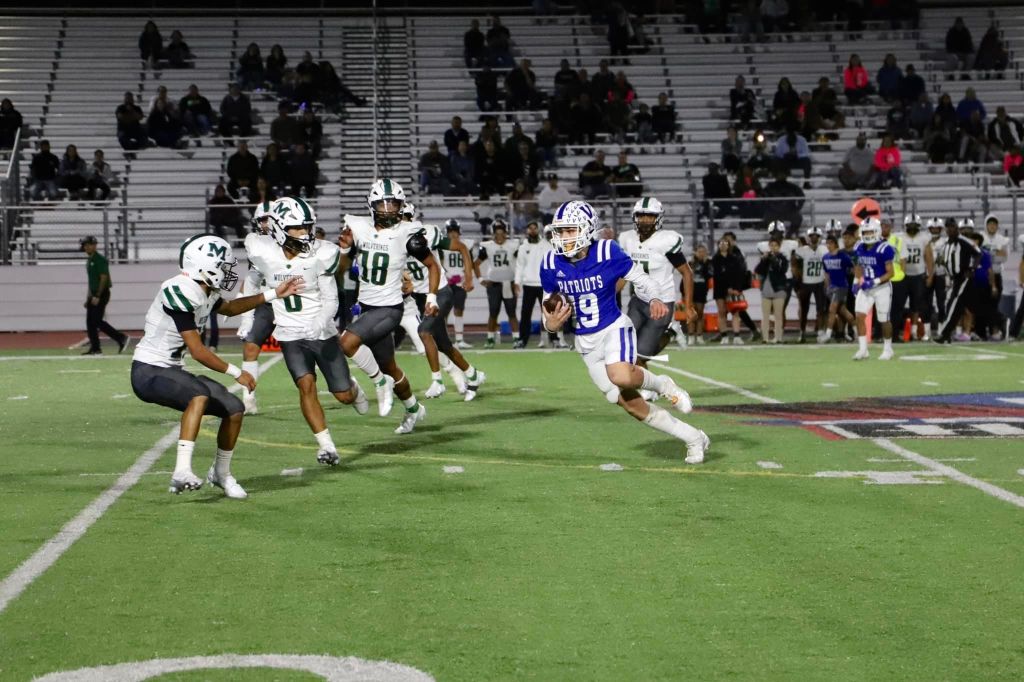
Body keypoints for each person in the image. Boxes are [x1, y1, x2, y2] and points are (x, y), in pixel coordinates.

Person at [131, 233, 303, 497]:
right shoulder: (179, 289)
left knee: (234, 409)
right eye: (223, 266)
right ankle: (181, 471)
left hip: (172, 369)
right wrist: (237, 373)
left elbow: (231, 308)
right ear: (204, 266)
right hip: (148, 370)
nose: (227, 272)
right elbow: (198, 351)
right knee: (197, 395)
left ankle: (221, 474)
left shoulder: (205, 290)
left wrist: (272, 294)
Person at [540, 200, 709, 464]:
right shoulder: (551, 262)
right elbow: (547, 308)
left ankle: (663, 384)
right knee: (632, 406)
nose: (563, 237)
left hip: (613, 327)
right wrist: (550, 325)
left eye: (570, 230)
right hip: (585, 342)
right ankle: (694, 438)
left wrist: (654, 299)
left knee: (619, 374)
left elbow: (642, 279)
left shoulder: (607, 251)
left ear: (586, 229)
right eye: (561, 231)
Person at [246, 196, 369, 464]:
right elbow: (252, 279)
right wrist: (247, 315)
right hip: (290, 334)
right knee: (306, 385)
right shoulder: (262, 251)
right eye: (298, 228)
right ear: (279, 228)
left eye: (307, 227)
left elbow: (331, 299)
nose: (305, 233)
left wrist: (320, 320)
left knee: (343, 395)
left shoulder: (321, 254)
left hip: (321, 332)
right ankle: (326, 446)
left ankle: (354, 388)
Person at [339, 179, 443, 434]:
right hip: (366, 307)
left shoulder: (407, 232)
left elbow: (433, 265)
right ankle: (413, 408)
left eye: (393, 203)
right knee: (391, 368)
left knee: (346, 343)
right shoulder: (358, 227)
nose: (388, 209)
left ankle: (378, 383)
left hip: (390, 309)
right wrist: (344, 250)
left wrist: (431, 297)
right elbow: (341, 269)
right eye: (382, 203)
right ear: (371, 205)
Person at [398, 205, 485, 400]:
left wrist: (469, 277)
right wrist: (406, 283)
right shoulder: (393, 240)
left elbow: (461, 247)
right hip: (420, 297)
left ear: (411, 217)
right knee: (444, 345)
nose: (399, 221)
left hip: (440, 293)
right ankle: (473, 375)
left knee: (424, 332)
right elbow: (402, 270)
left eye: (403, 217)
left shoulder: (427, 233)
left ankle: (437, 382)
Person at [618, 197, 695, 371]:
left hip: (661, 303)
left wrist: (688, 305)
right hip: (637, 301)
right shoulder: (627, 239)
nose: (645, 220)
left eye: (650, 216)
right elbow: (624, 274)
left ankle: (670, 333)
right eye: (641, 216)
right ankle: (646, 386)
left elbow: (687, 273)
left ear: (658, 218)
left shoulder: (666, 240)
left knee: (640, 356)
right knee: (622, 347)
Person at [232, 203, 276, 415]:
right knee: (250, 346)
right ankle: (248, 400)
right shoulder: (256, 244)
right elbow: (252, 279)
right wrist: (241, 304)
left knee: (314, 350)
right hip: (267, 302)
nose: (266, 224)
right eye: (262, 220)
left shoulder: (294, 240)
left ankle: (344, 381)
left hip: (293, 303)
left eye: (269, 219)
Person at [852, 218, 896, 360]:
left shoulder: (884, 248)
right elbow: (858, 266)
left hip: (882, 287)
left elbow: (891, 273)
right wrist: (856, 281)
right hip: (866, 287)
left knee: (884, 319)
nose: (867, 234)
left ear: (877, 231)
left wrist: (873, 282)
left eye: (870, 231)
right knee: (859, 316)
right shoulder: (859, 246)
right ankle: (863, 349)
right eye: (864, 231)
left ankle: (888, 349)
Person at [79, 235, 130, 355]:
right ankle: (96, 348)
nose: (86, 247)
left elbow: (103, 278)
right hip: (94, 294)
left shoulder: (99, 260)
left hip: (102, 293)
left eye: (88, 245)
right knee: (90, 322)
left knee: (96, 320)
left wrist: (97, 295)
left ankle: (120, 337)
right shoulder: (90, 261)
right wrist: (89, 297)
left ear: (94, 245)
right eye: (85, 245)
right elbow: (91, 281)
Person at [475, 219, 520, 347]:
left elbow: (522, 262)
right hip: (494, 284)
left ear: (506, 233)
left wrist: (517, 280)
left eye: (502, 233)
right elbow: (476, 263)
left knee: (512, 313)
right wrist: (480, 279)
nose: (499, 236)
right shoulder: (487, 246)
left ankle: (516, 339)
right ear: (492, 234)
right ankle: (490, 338)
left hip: (509, 284)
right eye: (497, 233)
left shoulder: (513, 245)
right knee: (493, 312)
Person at [515, 219, 558, 349]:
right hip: (528, 284)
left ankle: (554, 339)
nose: (532, 230)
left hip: (544, 284)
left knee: (549, 313)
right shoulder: (523, 247)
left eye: (534, 228)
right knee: (525, 314)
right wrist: (517, 282)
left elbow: (553, 265)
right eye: (530, 228)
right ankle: (522, 340)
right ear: (527, 230)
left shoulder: (547, 246)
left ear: (538, 230)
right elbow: (519, 266)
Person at [438, 219, 476, 349]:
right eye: (450, 232)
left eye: (455, 231)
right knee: (443, 311)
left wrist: (467, 278)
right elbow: (439, 263)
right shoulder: (442, 246)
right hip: (446, 282)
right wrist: (446, 276)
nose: (453, 234)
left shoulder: (466, 245)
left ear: (459, 232)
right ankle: (443, 339)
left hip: (460, 282)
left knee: (459, 309)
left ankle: (459, 339)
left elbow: (468, 263)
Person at [898, 214, 932, 341]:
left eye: (914, 225)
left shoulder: (924, 238)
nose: (912, 228)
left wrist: (930, 274)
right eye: (910, 225)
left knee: (916, 305)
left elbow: (929, 257)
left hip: (918, 275)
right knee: (900, 304)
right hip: (903, 275)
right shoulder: (900, 238)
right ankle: (901, 330)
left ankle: (913, 331)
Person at [793, 225, 827, 343]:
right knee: (804, 310)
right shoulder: (801, 251)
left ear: (820, 237)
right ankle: (802, 332)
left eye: (816, 236)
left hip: (820, 282)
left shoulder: (824, 249)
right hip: (806, 283)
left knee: (821, 310)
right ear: (808, 238)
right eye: (811, 236)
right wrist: (798, 281)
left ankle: (820, 332)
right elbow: (795, 267)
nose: (814, 238)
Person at [819, 234, 856, 343]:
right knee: (844, 313)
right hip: (831, 288)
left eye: (830, 243)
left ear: (835, 244)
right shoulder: (825, 257)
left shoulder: (843, 256)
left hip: (841, 286)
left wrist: (856, 278)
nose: (828, 245)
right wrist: (827, 287)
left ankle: (828, 335)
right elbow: (826, 273)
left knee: (832, 310)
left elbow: (854, 266)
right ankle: (858, 332)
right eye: (827, 243)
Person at [756, 238, 789, 343]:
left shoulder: (783, 258)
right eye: (771, 245)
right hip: (766, 289)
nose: (773, 247)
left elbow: (782, 270)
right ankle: (765, 338)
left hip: (779, 289)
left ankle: (778, 338)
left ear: (779, 247)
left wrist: (774, 259)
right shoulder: (765, 258)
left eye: (776, 245)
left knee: (778, 315)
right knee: (765, 315)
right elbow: (758, 270)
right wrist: (763, 260)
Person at [924, 218, 949, 338]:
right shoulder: (924, 241)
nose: (934, 230)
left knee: (941, 303)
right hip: (927, 274)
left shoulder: (945, 242)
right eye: (932, 228)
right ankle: (927, 331)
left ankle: (941, 329)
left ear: (940, 229)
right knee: (926, 303)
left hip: (940, 274)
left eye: (936, 228)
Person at [688, 244, 711, 344]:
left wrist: (705, 263)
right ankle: (691, 336)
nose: (701, 254)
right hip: (691, 290)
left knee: (700, 313)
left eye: (703, 252)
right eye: (699, 251)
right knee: (691, 313)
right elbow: (685, 277)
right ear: (695, 252)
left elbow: (709, 275)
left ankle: (700, 335)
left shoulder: (708, 263)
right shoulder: (690, 262)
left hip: (701, 290)